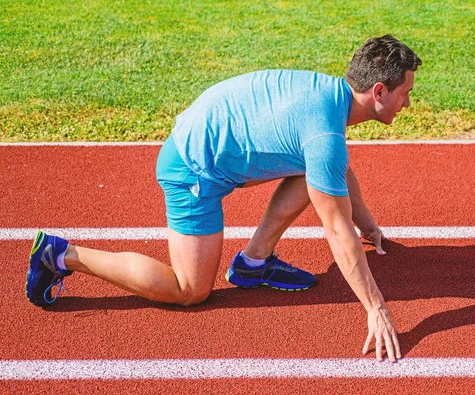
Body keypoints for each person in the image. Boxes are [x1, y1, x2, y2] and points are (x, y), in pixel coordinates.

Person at [26, 34, 421, 363]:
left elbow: (336, 173)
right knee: (189, 289)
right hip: (192, 169)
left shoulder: (328, 96)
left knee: (316, 172)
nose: (408, 103)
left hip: (208, 135)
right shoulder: (323, 136)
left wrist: (367, 225)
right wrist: (377, 309)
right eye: (405, 93)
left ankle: (253, 263)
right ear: (378, 91)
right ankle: (61, 255)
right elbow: (336, 228)